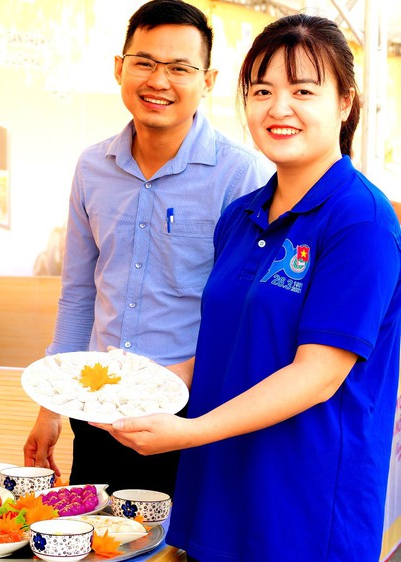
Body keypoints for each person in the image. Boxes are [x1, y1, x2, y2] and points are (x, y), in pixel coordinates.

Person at [103, 14, 401, 561]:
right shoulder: (241, 216)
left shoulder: (361, 220)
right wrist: (141, 385)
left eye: (303, 91)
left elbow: (317, 376)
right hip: (221, 491)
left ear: (344, 102)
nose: (278, 108)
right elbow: (233, 348)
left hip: (305, 511)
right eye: (262, 91)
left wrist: (187, 432)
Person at [23, 0, 272, 495]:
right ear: (119, 68)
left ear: (208, 80)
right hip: (96, 409)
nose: (159, 81)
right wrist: (50, 408)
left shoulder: (243, 176)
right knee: (96, 533)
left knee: (178, 537)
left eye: (180, 68)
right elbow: (78, 294)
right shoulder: (92, 167)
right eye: (145, 62)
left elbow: (247, 314)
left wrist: (173, 389)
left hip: (193, 415)